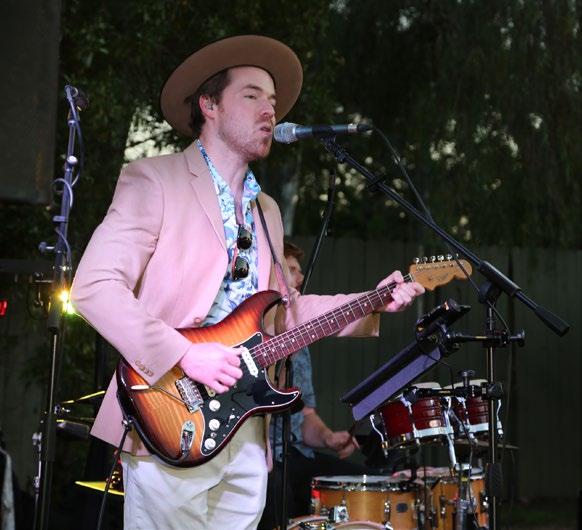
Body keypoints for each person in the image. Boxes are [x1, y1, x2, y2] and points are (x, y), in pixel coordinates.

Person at [70, 35, 424, 530]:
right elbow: (94, 286)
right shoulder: (155, 180)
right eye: (252, 95)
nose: (269, 111)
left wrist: (373, 301)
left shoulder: (266, 211)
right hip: (170, 415)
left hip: (247, 431)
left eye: (272, 101)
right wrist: (183, 353)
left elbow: (284, 314)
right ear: (209, 105)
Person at [259, 242, 373, 528]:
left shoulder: (302, 339)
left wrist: (327, 437)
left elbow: (305, 414)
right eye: (292, 269)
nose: (299, 278)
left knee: (364, 484)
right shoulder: (254, 331)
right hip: (267, 454)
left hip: (299, 454)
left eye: (300, 271)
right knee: (277, 493)